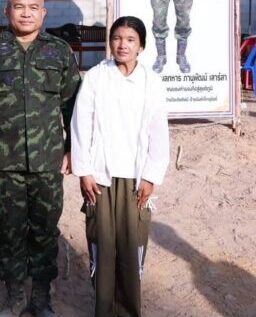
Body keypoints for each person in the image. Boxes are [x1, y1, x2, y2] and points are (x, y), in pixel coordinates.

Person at [0, 0, 81, 317]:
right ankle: (15, 296)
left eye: (33, 8)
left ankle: (41, 297)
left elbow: (73, 106)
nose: (26, 13)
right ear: (7, 11)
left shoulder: (59, 51)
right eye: (19, 7)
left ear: (43, 13)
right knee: (10, 229)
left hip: (48, 160)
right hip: (5, 159)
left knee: (45, 229)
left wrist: (72, 149)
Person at [70, 16, 169, 317]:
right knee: (102, 244)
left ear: (141, 46)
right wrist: (84, 170)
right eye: (116, 38)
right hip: (101, 177)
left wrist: (151, 176)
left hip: (136, 180)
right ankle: (103, 309)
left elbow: (158, 132)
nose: (122, 45)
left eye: (130, 40)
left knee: (131, 245)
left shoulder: (151, 82)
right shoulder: (96, 77)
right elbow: (81, 124)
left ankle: (128, 310)